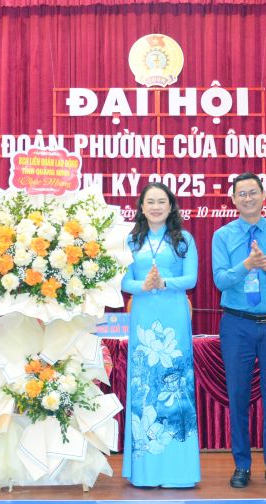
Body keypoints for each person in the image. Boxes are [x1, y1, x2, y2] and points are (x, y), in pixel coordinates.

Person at [212, 173, 266, 488]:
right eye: (241, 194)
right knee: (238, 396)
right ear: (233, 200)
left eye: (253, 192)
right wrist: (247, 265)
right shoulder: (222, 236)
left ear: (264, 197)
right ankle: (242, 465)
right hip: (237, 325)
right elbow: (221, 280)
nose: (247, 198)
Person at [121, 183, 200, 488]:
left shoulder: (184, 240)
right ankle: (146, 470)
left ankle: (179, 471)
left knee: (175, 386)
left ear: (171, 207)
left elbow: (191, 278)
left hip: (173, 317)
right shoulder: (131, 240)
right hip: (143, 314)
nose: (156, 206)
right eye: (150, 202)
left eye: (161, 202)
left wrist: (162, 282)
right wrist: (143, 285)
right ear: (141, 207)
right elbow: (124, 280)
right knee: (145, 386)